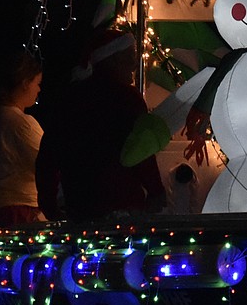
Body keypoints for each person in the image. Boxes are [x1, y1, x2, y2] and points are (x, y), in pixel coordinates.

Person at [36, 27, 166, 221]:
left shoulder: (69, 99)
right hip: (123, 206)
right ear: (112, 59)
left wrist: (49, 203)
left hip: (79, 207)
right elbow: (139, 151)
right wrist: (156, 191)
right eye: (129, 56)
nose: (133, 64)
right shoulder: (127, 98)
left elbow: (48, 155)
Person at [0, 48, 48, 228]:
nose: (38, 89)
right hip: (16, 211)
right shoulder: (20, 123)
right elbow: (46, 163)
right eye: (37, 83)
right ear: (24, 83)